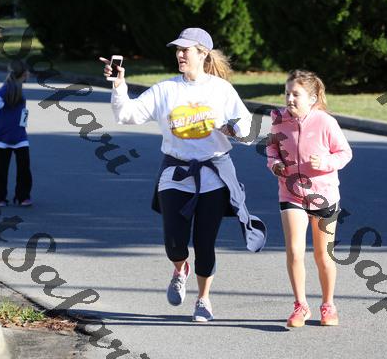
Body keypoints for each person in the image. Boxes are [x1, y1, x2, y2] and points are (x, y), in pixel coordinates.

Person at [102, 27, 266, 322]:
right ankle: (180, 268)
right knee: (175, 243)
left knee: (205, 243)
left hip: (214, 174)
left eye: (185, 50)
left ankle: (203, 299)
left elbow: (250, 132)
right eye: (177, 49)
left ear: (202, 54)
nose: (179, 54)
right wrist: (119, 85)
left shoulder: (221, 90)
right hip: (175, 172)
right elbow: (127, 114)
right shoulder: (166, 90)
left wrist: (233, 130)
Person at [266, 70, 352, 327]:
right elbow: (272, 149)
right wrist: (275, 164)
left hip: (323, 195)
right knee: (294, 251)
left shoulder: (325, 122)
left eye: (296, 94)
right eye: (287, 93)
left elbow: (344, 153)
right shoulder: (279, 120)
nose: (289, 99)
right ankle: (300, 305)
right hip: (290, 193)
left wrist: (326, 162)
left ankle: (328, 305)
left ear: (312, 98)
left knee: (323, 256)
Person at [0, 60, 32, 207]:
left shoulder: (18, 88)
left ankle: (21, 196)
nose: (29, 74)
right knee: (4, 169)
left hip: (20, 136)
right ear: (24, 74)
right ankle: (0, 198)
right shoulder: (6, 89)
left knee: (23, 168)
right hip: (3, 137)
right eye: (28, 71)